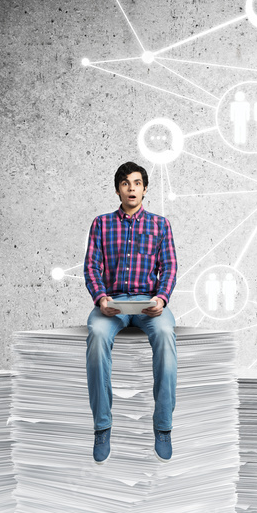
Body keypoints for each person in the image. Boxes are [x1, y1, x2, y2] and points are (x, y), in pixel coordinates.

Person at [83, 161, 178, 464]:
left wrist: (162, 299)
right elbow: (91, 266)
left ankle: (162, 426)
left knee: (165, 334)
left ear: (145, 189)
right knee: (97, 335)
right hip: (112, 303)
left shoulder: (160, 225)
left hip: (150, 303)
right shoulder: (101, 224)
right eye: (125, 183)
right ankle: (102, 426)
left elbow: (170, 267)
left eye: (137, 183)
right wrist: (100, 299)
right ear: (118, 190)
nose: (131, 188)